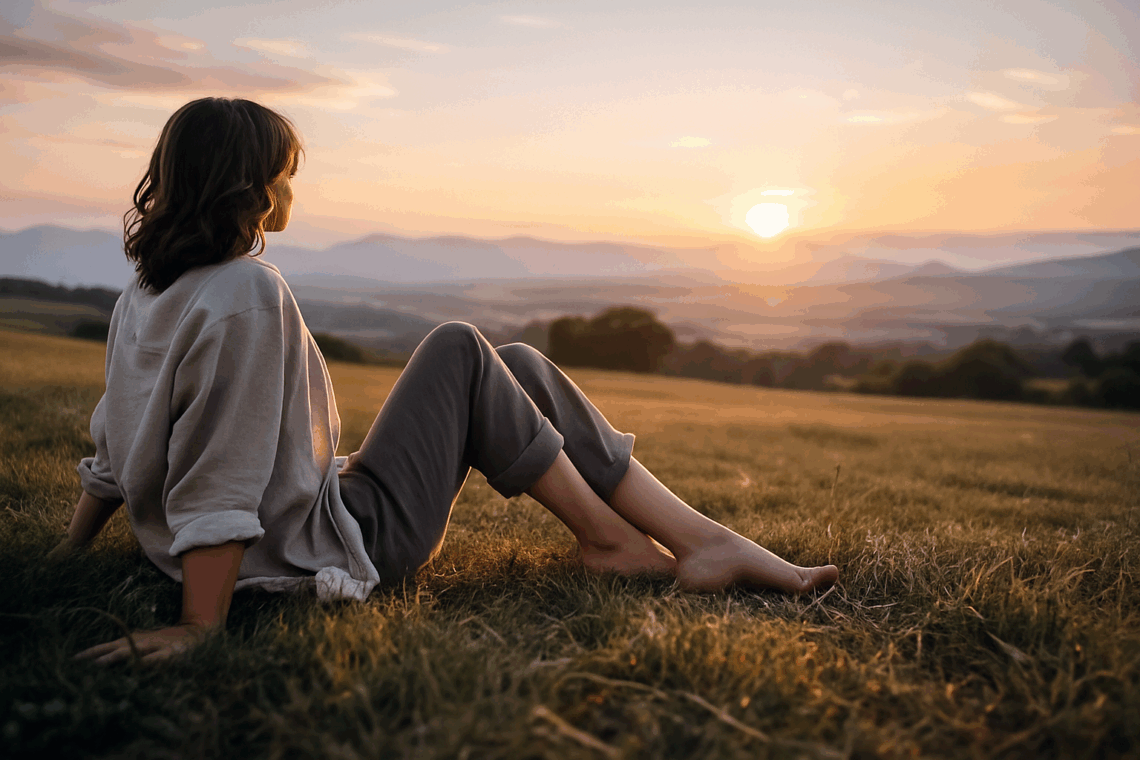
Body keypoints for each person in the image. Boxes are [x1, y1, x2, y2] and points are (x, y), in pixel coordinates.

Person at [53, 98, 838, 665]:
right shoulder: (246, 292)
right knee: (461, 346)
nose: (291, 193)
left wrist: (74, 549)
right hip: (329, 546)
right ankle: (612, 542)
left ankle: (702, 542)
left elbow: (115, 443)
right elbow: (221, 473)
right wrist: (200, 624)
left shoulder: (145, 295)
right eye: (285, 177)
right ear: (252, 189)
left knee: (518, 367)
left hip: (301, 515)